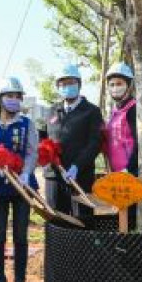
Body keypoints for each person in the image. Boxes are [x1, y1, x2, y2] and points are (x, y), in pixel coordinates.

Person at [0, 76, 38, 282]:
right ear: (0, 98)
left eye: (18, 96)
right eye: (9, 96)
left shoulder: (27, 123)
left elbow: (31, 152)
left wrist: (26, 173)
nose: (14, 100)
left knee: (20, 236)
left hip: (22, 186)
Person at [45, 64, 103, 221]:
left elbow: (95, 143)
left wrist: (77, 165)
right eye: (62, 84)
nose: (66, 87)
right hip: (54, 176)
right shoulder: (52, 111)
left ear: (79, 84)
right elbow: (44, 138)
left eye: (71, 83)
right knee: (55, 220)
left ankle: (82, 247)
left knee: (82, 220)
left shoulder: (91, 111)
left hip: (80, 176)